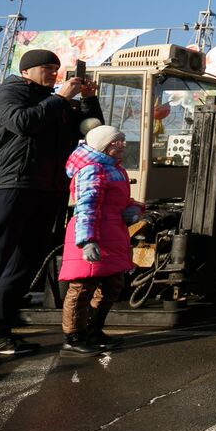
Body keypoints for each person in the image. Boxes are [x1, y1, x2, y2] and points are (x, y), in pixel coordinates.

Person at [0, 49, 102, 372]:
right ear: (27, 70)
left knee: (25, 266)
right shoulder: (11, 92)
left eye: (57, 69)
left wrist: (86, 101)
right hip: (13, 185)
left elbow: (92, 133)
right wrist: (60, 99)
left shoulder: (58, 102)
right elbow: (23, 123)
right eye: (46, 68)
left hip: (49, 191)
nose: (54, 74)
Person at [60, 125, 142, 355]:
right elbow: (86, 206)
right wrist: (87, 241)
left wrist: (131, 209)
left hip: (111, 233)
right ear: (105, 144)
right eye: (118, 141)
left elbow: (117, 201)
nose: (123, 145)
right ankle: (74, 337)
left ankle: (93, 329)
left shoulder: (114, 169)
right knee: (83, 286)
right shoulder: (92, 170)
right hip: (93, 234)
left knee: (113, 283)